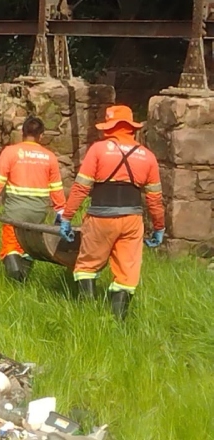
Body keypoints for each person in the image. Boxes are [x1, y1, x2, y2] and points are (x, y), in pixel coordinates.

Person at [59, 105, 165, 320]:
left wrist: (67, 217)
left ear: (110, 127)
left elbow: (81, 188)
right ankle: (118, 321)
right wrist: (159, 227)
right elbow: (154, 198)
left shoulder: (98, 150)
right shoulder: (147, 156)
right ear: (131, 128)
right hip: (132, 220)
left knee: (87, 265)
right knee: (127, 272)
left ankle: (87, 315)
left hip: (101, 218)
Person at [0, 116, 66, 281]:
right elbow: (56, 188)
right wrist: (61, 211)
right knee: (29, 249)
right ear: (41, 135)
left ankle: (15, 283)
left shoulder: (11, 152)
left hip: (15, 214)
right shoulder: (49, 157)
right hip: (38, 215)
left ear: (23, 133)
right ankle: (23, 283)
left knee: (11, 248)